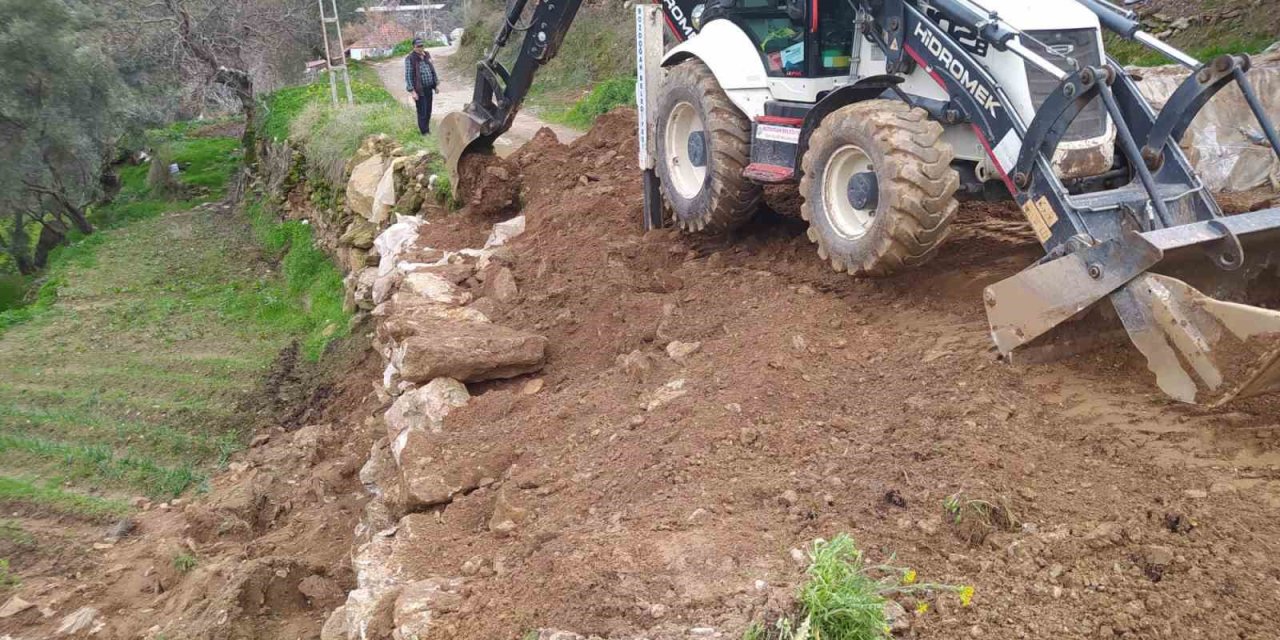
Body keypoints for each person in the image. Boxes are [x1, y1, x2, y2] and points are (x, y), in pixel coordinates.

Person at [403, 38, 440, 135]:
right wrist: (412, 91)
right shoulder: (410, 58)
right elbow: (408, 75)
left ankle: (427, 130)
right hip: (419, 90)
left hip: (429, 88)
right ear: (414, 47)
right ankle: (424, 132)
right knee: (422, 112)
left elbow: (432, 70)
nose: (420, 48)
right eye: (418, 46)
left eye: (421, 46)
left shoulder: (427, 55)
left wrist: (435, 85)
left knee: (428, 110)